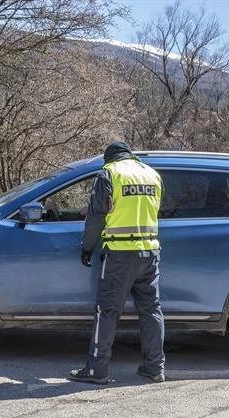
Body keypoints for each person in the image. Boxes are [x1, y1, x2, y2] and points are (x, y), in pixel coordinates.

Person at [68, 141, 165, 385]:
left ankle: (96, 370)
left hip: (120, 252)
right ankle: (154, 369)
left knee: (107, 311)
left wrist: (87, 246)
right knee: (151, 311)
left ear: (109, 158)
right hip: (150, 251)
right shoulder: (152, 175)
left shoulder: (109, 173)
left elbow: (96, 216)